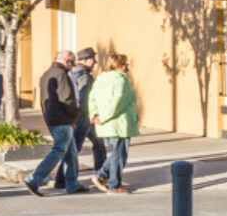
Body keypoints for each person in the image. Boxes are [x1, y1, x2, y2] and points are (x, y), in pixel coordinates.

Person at [23, 49, 80, 196]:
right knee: (60, 150)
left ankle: (72, 184)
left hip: (52, 118)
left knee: (71, 152)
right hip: (63, 119)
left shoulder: (47, 74)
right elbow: (67, 99)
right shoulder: (61, 75)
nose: (73, 65)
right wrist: (75, 115)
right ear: (66, 60)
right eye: (72, 62)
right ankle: (34, 179)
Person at [55, 47, 104, 192]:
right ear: (84, 60)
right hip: (84, 117)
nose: (95, 61)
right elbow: (83, 97)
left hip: (82, 116)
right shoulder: (84, 76)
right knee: (75, 148)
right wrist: (87, 115)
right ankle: (63, 178)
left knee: (97, 144)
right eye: (92, 58)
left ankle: (101, 173)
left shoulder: (72, 73)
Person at [90, 53, 140, 194]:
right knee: (119, 156)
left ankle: (102, 176)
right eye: (125, 64)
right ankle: (113, 184)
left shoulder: (100, 79)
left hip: (104, 124)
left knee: (116, 154)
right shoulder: (121, 81)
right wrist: (104, 116)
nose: (127, 67)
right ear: (120, 65)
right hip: (119, 124)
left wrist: (95, 115)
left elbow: (91, 98)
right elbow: (118, 103)